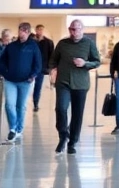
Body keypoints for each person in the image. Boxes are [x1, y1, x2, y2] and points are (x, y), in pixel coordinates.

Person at [49, 19, 101, 155]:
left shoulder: (89, 43)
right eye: (72, 29)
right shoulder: (62, 43)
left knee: (77, 114)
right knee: (61, 108)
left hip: (81, 84)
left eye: (77, 29)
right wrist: (53, 69)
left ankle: (72, 142)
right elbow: (53, 59)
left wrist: (85, 63)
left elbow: (96, 62)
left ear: (82, 30)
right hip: (63, 82)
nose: (75, 32)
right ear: (69, 30)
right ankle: (63, 135)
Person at [0, 22, 42, 141]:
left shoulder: (33, 46)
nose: (20, 32)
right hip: (10, 80)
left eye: (22, 30)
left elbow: (38, 63)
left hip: (25, 81)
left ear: (27, 32)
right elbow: (2, 61)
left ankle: (19, 128)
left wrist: (33, 75)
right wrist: (4, 72)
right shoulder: (11, 46)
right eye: (19, 30)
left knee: (20, 106)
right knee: (9, 104)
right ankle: (12, 128)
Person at [32, 24, 54, 112]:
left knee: (38, 86)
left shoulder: (48, 42)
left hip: (42, 68)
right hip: (31, 67)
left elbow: (52, 55)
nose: (40, 31)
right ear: (36, 30)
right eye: (38, 29)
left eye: (41, 30)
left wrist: (50, 68)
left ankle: (36, 103)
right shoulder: (31, 42)